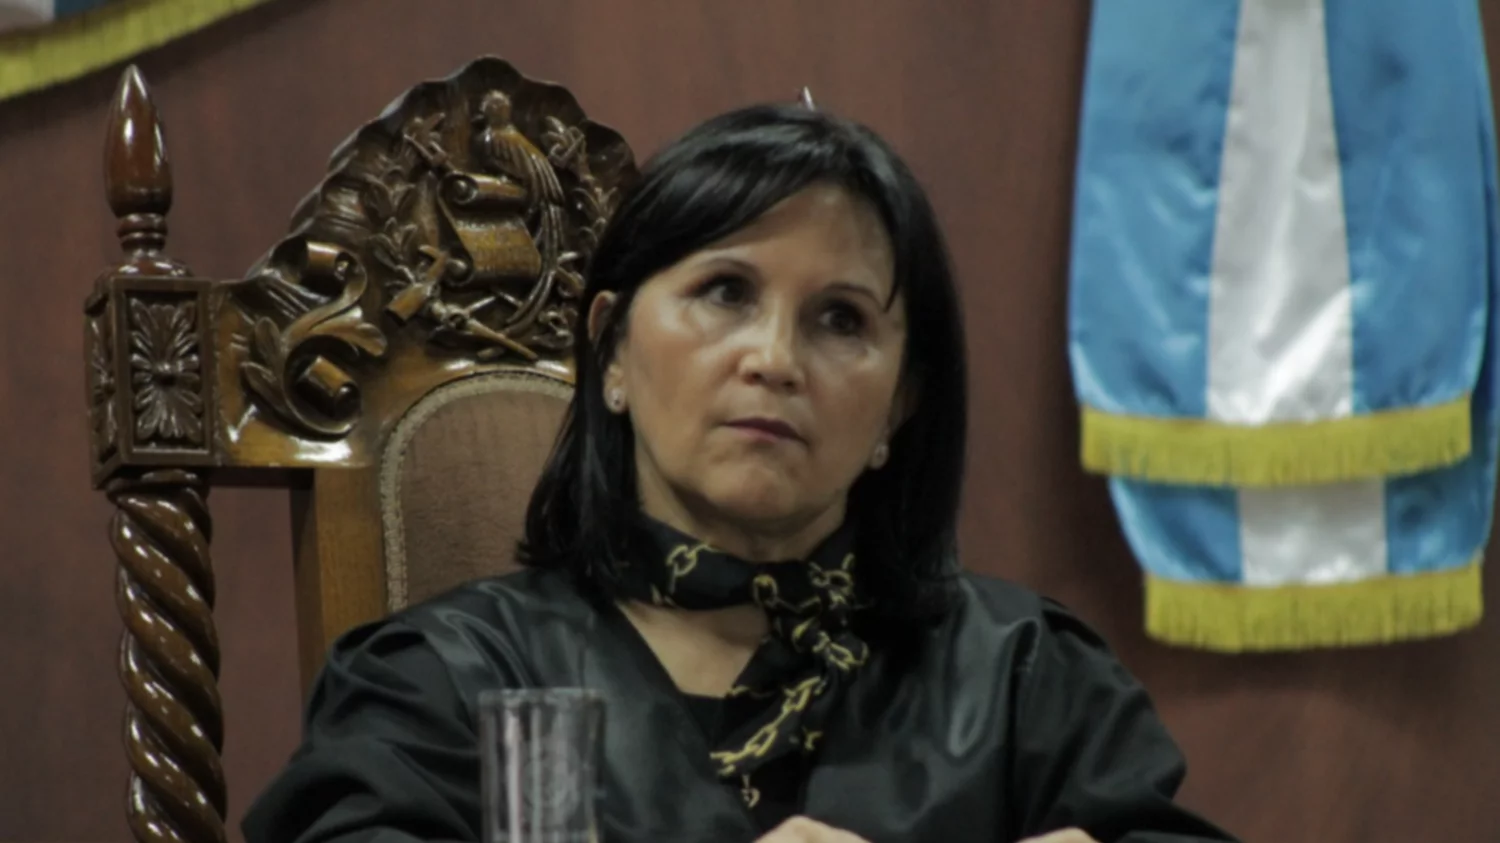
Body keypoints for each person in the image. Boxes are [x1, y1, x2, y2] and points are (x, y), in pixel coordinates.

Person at [242, 101, 1238, 843]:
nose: (774, 359)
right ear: (612, 350)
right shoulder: (450, 683)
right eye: (725, 292)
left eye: (840, 318)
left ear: (899, 404)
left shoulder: (1023, 677)